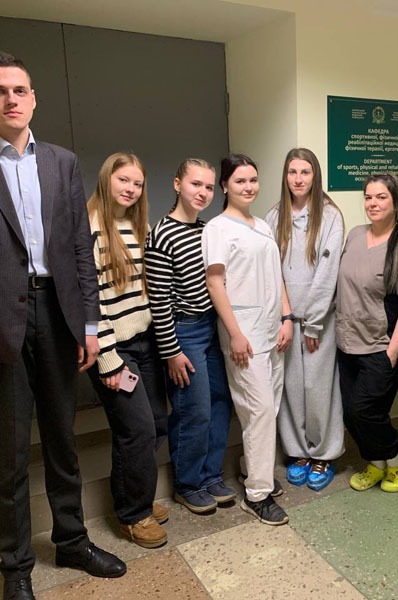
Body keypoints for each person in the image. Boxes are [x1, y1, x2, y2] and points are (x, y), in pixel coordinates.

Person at [0, 51, 125, 600]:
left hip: (59, 317)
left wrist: (89, 323)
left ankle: (72, 541)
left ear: (33, 97)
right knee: (11, 453)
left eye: (19, 90)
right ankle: (15, 568)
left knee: (63, 439)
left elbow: (79, 250)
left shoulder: (62, 162)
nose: (11, 100)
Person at [202, 154, 294, 526]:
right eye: (240, 180)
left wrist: (287, 316)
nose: (249, 187)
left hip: (272, 329)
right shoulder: (217, 228)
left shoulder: (263, 225)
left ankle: (250, 467)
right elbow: (215, 283)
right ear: (225, 185)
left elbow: (277, 274)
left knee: (269, 407)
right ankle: (257, 494)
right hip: (244, 332)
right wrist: (235, 333)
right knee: (258, 410)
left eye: (253, 179)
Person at [86, 152, 169, 548]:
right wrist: (108, 359)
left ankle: (136, 494)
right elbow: (90, 300)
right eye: (124, 180)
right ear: (107, 179)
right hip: (115, 348)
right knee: (136, 430)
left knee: (156, 423)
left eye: (137, 183)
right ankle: (133, 515)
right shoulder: (89, 228)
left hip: (145, 341)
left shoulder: (139, 225)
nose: (131, 189)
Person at [145, 158, 235, 515]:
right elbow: (158, 299)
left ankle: (211, 475)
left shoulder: (206, 230)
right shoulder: (161, 234)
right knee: (192, 410)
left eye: (209, 187)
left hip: (210, 327)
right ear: (177, 184)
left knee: (219, 404)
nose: (203, 192)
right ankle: (188, 483)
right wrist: (171, 352)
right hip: (183, 333)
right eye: (196, 184)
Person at [336, 173, 398, 494]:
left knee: (367, 411)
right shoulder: (355, 235)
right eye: (368, 197)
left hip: (382, 343)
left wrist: (392, 351)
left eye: (381, 197)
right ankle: (376, 463)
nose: (372, 203)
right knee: (350, 413)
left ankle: (396, 456)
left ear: (396, 202)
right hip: (347, 341)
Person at [265, 148, 345, 492]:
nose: (298, 179)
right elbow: (272, 271)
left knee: (318, 388)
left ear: (315, 176)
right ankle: (298, 452)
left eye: (305, 172)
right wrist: (284, 316)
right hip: (285, 320)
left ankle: (323, 453)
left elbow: (327, 274)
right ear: (285, 176)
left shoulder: (330, 216)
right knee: (291, 389)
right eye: (292, 172)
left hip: (319, 321)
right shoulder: (274, 217)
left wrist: (312, 321)